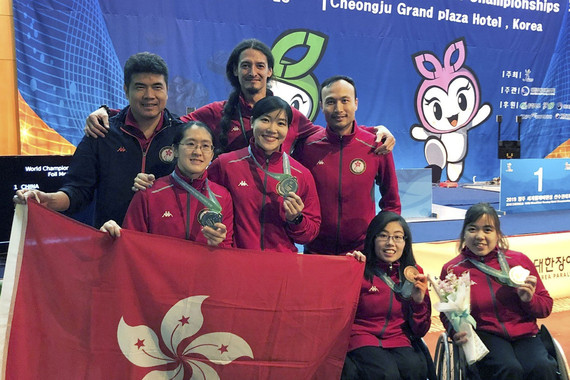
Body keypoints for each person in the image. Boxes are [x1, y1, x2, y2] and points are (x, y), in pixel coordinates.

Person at [84, 39, 396, 156]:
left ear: (270, 71)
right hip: (228, 218)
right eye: (245, 66)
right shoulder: (216, 112)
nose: (253, 72)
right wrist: (108, 113)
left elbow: (330, 133)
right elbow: (167, 122)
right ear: (235, 70)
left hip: (275, 219)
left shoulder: (288, 115)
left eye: (260, 65)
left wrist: (375, 131)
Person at [14, 52, 184, 228]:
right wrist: (47, 200)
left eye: (157, 87)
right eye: (140, 87)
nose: (149, 95)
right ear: (126, 90)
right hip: (112, 240)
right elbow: (78, 190)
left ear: (167, 90)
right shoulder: (101, 132)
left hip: (167, 242)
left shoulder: (183, 135)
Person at [439, 202, 558, 380]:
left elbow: (545, 307)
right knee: (509, 369)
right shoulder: (453, 270)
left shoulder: (518, 261)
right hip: (485, 335)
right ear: (464, 233)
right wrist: (454, 331)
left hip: (525, 334)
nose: (479, 236)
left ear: (497, 234)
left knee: (542, 367)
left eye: (487, 229)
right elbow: (447, 314)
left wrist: (529, 300)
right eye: (473, 229)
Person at [293, 76, 401, 255]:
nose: (338, 109)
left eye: (345, 100)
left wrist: (380, 239)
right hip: (316, 250)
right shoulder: (307, 147)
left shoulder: (377, 145)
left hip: (361, 252)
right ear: (321, 106)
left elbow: (392, 203)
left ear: (356, 103)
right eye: (330, 102)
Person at [207, 96, 321, 253]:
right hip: (237, 263)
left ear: (288, 129)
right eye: (265, 120)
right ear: (253, 122)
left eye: (280, 123)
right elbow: (201, 205)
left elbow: (310, 234)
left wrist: (296, 219)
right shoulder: (225, 165)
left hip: (281, 268)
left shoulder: (301, 174)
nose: (272, 129)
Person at [100, 122, 233, 247]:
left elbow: (227, 249)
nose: (197, 152)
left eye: (205, 146)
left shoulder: (222, 196)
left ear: (211, 154)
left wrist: (218, 243)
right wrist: (109, 237)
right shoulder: (148, 194)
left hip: (204, 270)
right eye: (190, 144)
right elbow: (131, 244)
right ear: (174, 150)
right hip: (158, 271)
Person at [343, 211, 431, 380]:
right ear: (372, 239)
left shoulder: (414, 273)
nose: (390, 243)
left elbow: (420, 331)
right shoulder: (359, 267)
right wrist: (347, 267)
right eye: (383, 236)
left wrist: (419, 302)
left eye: (397, 237)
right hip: (362, 338)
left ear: (405, 242)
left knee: (415, 369)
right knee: (385, 373)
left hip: (398, 339)